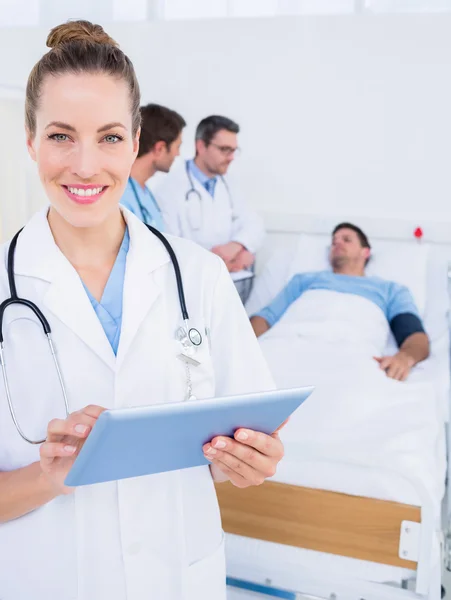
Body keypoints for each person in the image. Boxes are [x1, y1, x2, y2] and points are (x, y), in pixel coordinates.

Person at [0, 21, 284, 600]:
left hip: (177, 578)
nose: (84, 165)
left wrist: (249, 460)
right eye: (60, 136)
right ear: (29, 141)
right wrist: (46, 478)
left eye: (107, 137)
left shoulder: (199, 277)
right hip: (45, 579)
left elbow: (241, 444)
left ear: (134, 142)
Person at [251, 223, 429, 381]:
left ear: (365, 252)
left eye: (346, 239)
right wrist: (243, 344)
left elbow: (415, 336)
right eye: (334, 241)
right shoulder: (304, 281)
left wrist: (405, 358)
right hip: (283, 347)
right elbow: (265, 319)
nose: (337, 243)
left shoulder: (390, 290)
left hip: (351, 355)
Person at [154, 115, 265, 302]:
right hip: (191, 289)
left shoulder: (230, 184)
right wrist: (217, 262)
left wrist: (238, 246)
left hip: (227, 286)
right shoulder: (170, 187)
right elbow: (171, 245)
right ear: (201, 146)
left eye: (234, 150)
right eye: (224, 150)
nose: (230, 158)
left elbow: (255, 225)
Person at [120, 103, 185, 230]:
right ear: (159, 149)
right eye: (177, 147)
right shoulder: (120, 194)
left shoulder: (144, 192)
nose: (178, 154)